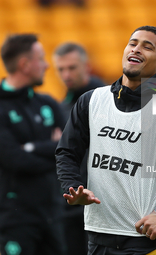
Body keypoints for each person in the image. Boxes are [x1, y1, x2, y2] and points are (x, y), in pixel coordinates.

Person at [56, 26, 156, 254]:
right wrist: (72, 187)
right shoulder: (91, 101)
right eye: (133, 43)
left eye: (147, 47)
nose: (137, 49)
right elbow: (66, 152)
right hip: (97, 238)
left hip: (142, 243)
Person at [0, 34, 66, 255]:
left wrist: (32, 147)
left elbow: (71, 148)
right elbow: (15, 160)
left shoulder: (48, 104)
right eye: (41, 59)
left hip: (54, 214)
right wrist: (51, 149)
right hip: (16, 220)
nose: (47, 66)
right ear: (24, 64)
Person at [53, 42, 105, 255]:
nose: (66, 74)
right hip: (71, 204)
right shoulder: (60, 108)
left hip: (103, 205)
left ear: (87, 66)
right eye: (61, 69)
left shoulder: (107, 102)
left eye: (72, 68)